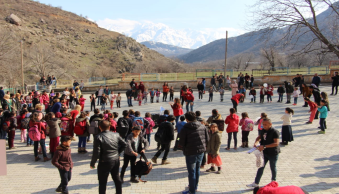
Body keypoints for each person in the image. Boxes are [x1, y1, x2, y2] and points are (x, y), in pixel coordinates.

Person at [90, 120, 127, 194]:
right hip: (115, 160)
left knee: (102, 182)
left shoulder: (98, 136)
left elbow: (96, 152)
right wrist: (117, 153)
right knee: (116, 178)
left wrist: (92, 163)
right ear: (109, 127)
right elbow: (124, 144)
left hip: (104, 161)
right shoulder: (116, 134)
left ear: (100, 127)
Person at [179, 112, 209, 194]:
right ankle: (195, 186)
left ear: (187, 119)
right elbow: (207, 139)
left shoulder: (185, 128)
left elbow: (181, 142)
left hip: (190, 152)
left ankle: (192, 190)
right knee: (197, 169)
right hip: (200, 151)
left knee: (191, 171)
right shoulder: (202, 126)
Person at [247, 118, 280, 188]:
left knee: (273, 167)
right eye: (263, 124)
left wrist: (264, 146)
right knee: (261, 167)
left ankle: (273, 181)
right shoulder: (263, 130)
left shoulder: (275, 132)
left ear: (270, 124)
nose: (264, 126)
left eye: (265, 124)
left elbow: (276, 143)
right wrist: (256, 143)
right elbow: (259, 137)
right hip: (264, 152)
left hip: (273, 153)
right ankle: (256, 183)